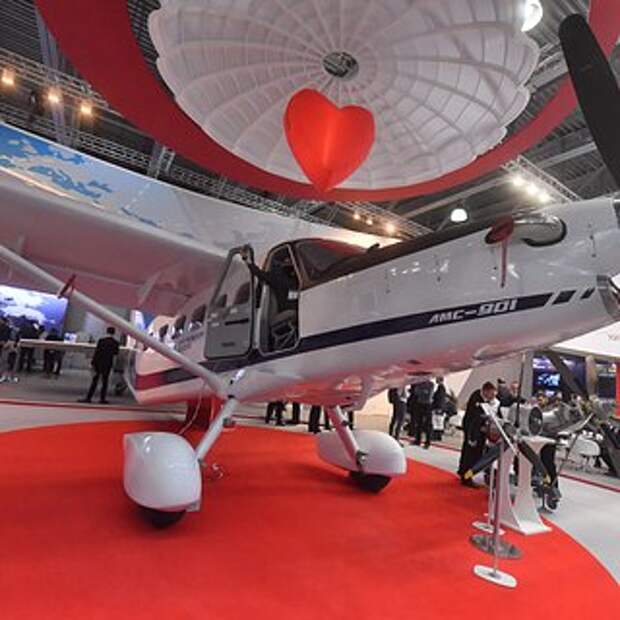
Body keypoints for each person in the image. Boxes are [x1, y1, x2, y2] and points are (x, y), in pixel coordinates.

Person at [457, 381, 499, 487]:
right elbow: (476, 416)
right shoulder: (476, 397)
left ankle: (464, 472)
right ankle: (466, 476)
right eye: (491, 394)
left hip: (480, 430)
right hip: (472, 430)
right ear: (485, 391)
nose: (492, 397)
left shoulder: (487, 400)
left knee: (475, 452)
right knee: (471, 453)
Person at [79, 327, 119, 404]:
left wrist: (92, 363)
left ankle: (89, 398)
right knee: (105, 382)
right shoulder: (115, 343)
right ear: (114, 333)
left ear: (107, 332)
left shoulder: (101, 341)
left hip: (98, 363)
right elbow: (116, 353)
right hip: (107, 364)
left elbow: (97, 353)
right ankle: (102, 399)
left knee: (95, 381)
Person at [413, 379, 434, 448]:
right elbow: (416, 392)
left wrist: (422, 392)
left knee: (428, 424)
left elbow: (429, 394)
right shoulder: (419, 383)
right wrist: (423, 392)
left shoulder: (431, 384)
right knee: (419, 423)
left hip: (427, 405)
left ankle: (428, 442)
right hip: (420, 404)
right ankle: (418, 440)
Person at [430, 376, 447, 443]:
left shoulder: (441, 388)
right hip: (439, 407)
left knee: (437, 422)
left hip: (438, 408)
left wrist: (438, 407)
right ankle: (437, 436)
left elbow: (440, 399)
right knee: (438, 422)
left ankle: (436, 436)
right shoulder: (441, 388)